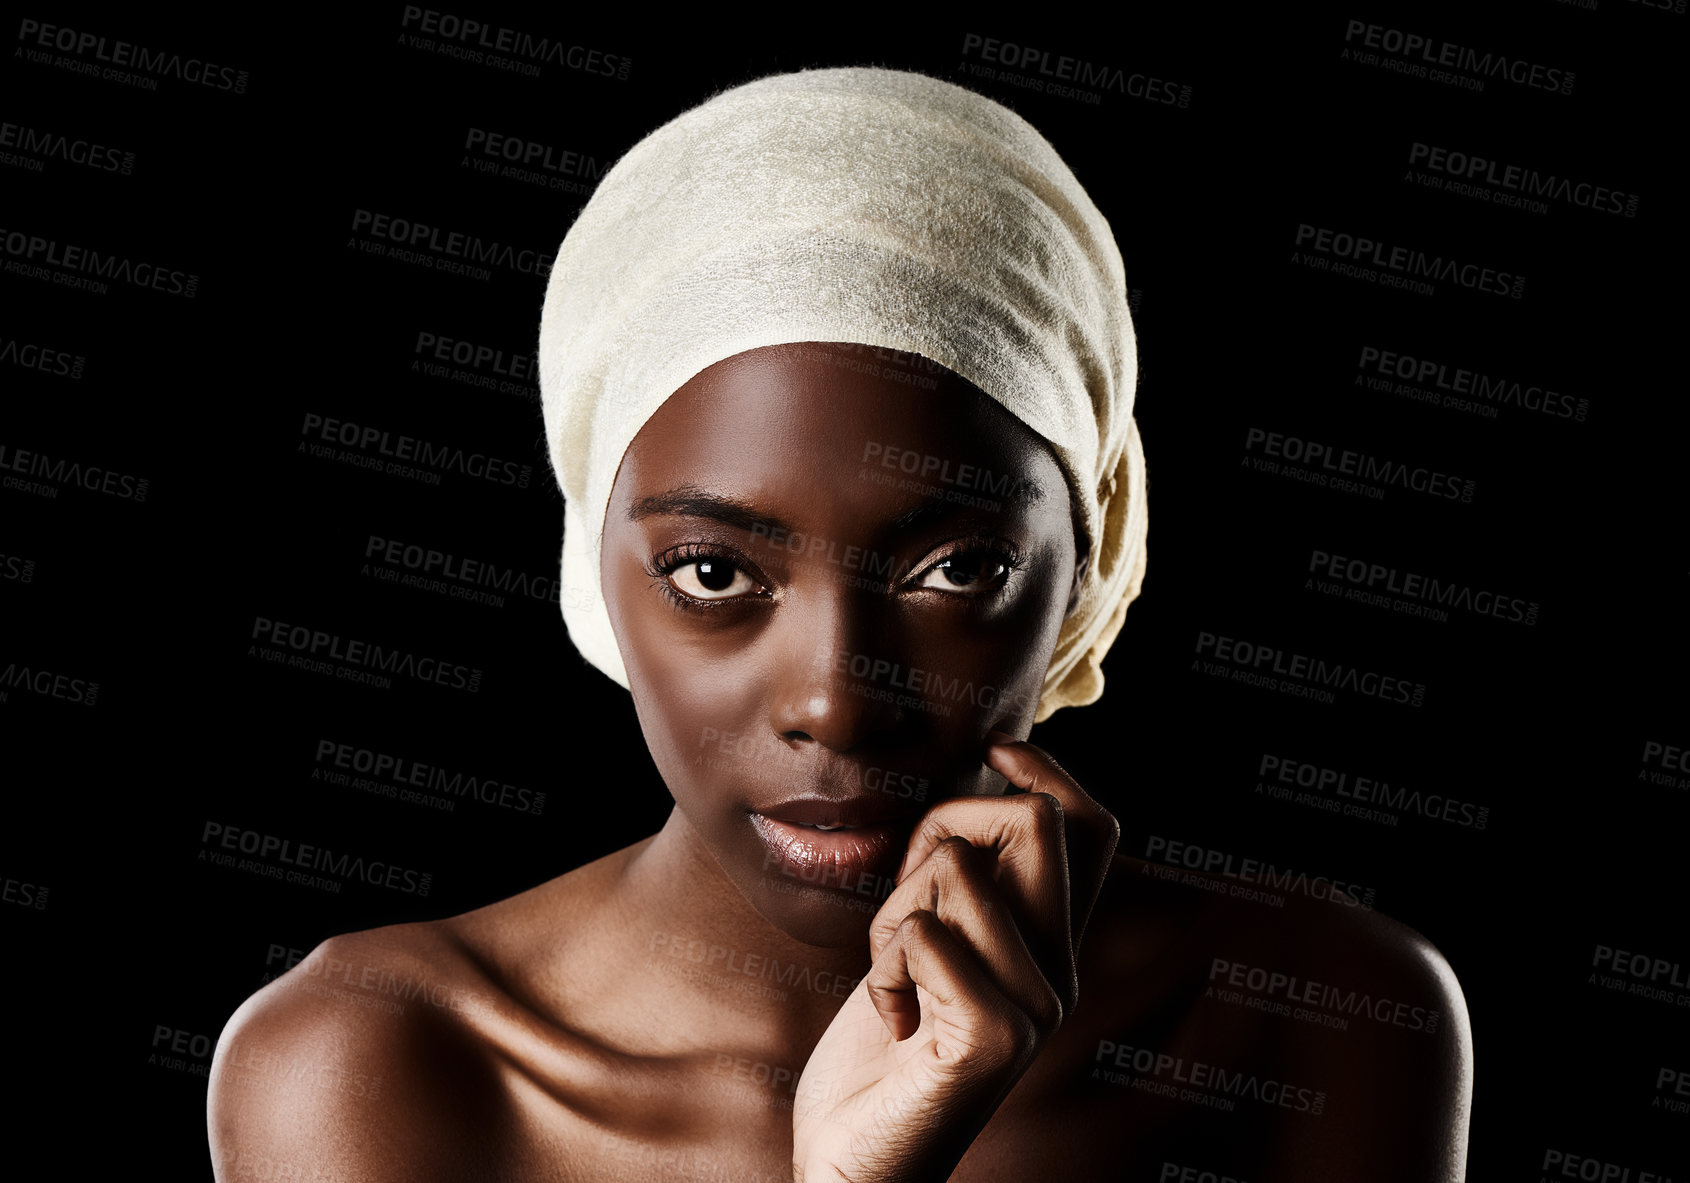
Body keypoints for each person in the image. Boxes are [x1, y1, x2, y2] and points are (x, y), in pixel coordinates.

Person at [208, 67, 1471, 1182]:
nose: (836, 697)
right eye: (712, 573)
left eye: (956, 567)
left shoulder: (1316, 1019)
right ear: (588, 568)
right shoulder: (372, 1057)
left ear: (1089, 565)